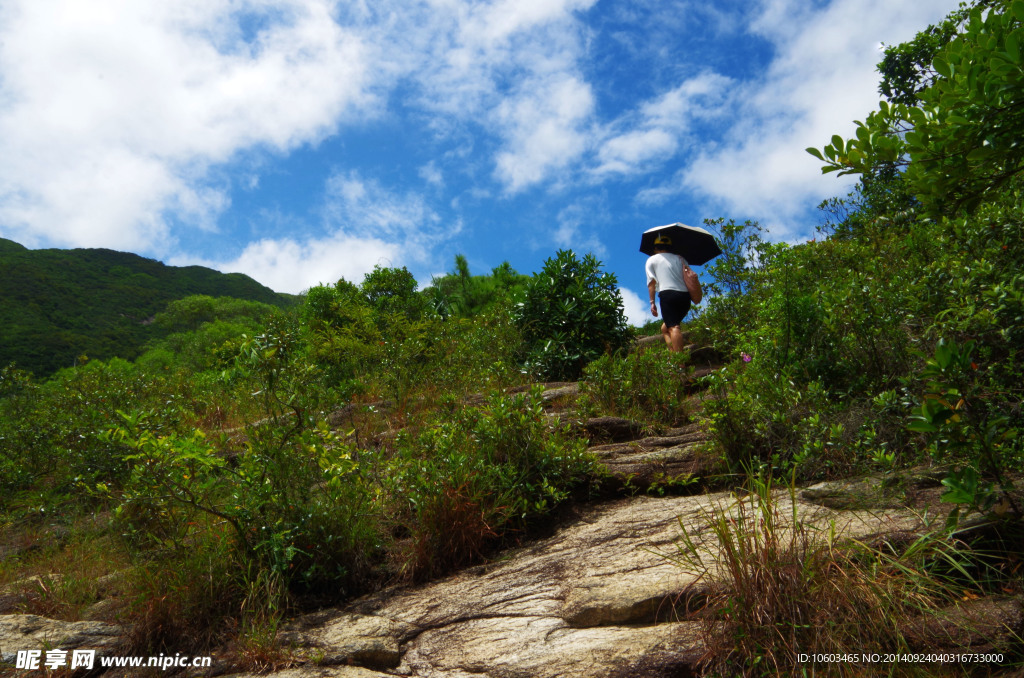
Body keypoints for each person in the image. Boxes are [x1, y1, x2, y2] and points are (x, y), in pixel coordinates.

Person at [645, 234, 693, 352]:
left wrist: (652, 302)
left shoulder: (652, 260)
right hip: (685, 297)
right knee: (665, 328)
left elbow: (652, 283)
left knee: (673, 327)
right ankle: (674, 356)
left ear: (655, 248)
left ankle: (680, 364)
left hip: (668, 295)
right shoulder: (681, 259)